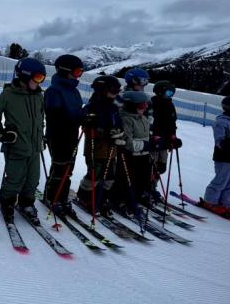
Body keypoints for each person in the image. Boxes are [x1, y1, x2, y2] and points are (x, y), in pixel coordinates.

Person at [0, 57, 46, 224]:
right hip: (16, 146)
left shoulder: (38, 96)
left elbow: (40, 118)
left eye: (41, 78)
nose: (39, 82)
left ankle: (27, 203)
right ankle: (7, 201)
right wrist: (0, 133)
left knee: (33, 179)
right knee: (15, 178)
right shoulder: (8, 95)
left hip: (35, 147)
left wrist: (42, 135)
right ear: (25, 76)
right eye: (37, 78)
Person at [42, 54, 84, 213]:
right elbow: (54, 116)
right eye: (77, 72)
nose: (78, 75)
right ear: (66, 70)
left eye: (80, 72)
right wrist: (74, 119)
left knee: (69, 169)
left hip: (72, 134)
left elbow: (78, 111)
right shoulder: (54, 91)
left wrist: (85, 117)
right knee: (60, 168)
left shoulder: (74, 91)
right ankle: (52, 196)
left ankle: (62, 196)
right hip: (58, 135)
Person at [75, 75, 122, 215]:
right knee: (95, 174)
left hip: (111, 148)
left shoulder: (114, 108)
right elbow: (86, 124)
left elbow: (119, 124)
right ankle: (84, 196)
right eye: (113, 90)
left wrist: (120, 133)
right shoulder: (91, 107)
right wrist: (102, 130)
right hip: (96, 148)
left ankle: (102, 199)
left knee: (110, 176)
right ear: (102, 90)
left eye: (117, 90)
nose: (116, 94)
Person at [110, 90, 155, 220]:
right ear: (131, 105)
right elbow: (128, 143)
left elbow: (147, 136)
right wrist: (146, 145)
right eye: (142, 106)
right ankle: (119, 199)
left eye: (146, 105)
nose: (145, 108)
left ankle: (135, 197)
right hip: (130, 156)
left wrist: (155, 142)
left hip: (144, 155)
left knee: (141, 178)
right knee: (126, 178)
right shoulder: (126, 119)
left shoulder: (144, 118)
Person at [150, 80, 181, 178]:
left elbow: (172, 123)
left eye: (172, 93)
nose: (170, 95)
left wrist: (173, 136)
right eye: (168, 92)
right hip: (154, 141)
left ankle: (154, 186)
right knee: (151, 166)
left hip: (165, 141)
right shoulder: (152, 103)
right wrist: (152, 136)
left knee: (161, 167)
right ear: (159, 92)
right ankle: (148, 188)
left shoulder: (170, 105)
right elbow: (149, 123)